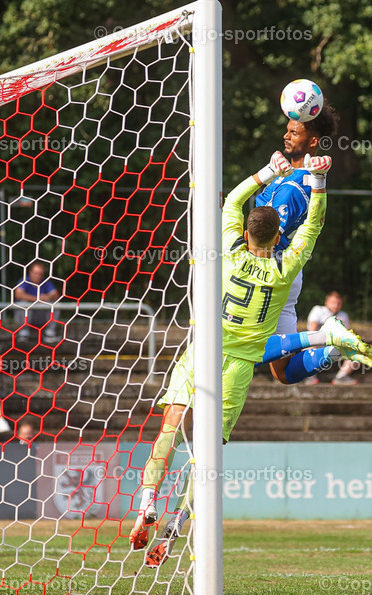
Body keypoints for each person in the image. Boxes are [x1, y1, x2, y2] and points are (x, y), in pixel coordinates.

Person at [132, 152, 333, 563]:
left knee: (170, 425)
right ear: (279, 240)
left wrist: (266, 172)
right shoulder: (285, 270)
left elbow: (230, 202)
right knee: (209, 456)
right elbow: (312, 226)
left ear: (244, 231)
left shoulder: (228, 253)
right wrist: (318, 181)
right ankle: (176, 525)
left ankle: (147, 502)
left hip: (201, 350)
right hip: (237, 366)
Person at [252, 105, 372, 386]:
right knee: (282, 372)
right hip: (288, 274)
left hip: (269, 271)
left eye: (294, 132)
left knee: (237, 346)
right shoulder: (293, 175)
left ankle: (324, 336)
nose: (286, 136)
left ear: (312, 141)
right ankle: (333, 349)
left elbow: (262, 238)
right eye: (286, 129)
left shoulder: (298, 184)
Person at [306, 291, 363, 385]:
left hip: (334, 346)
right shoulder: (318, 310)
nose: (336, 305)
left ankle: (341, 377)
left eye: (339, 303)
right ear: (326, 303)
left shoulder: (344, 316)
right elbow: (312, 330)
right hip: (316, 344)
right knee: (307, 348)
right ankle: (309, 376)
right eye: (333, 303)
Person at [14, 261, 61, 343]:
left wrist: (47, 297)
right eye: (36, 273)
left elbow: (55, 295)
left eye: (40, 274)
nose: (38, 276)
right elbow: (18, 294)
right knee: (23, 303)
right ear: (30, 272)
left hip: (41, 316)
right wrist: (36, 299)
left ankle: (49, 334)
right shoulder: (24, 281)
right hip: (24, 317)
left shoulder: (45, 282)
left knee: (55, 304)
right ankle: (23, 334)